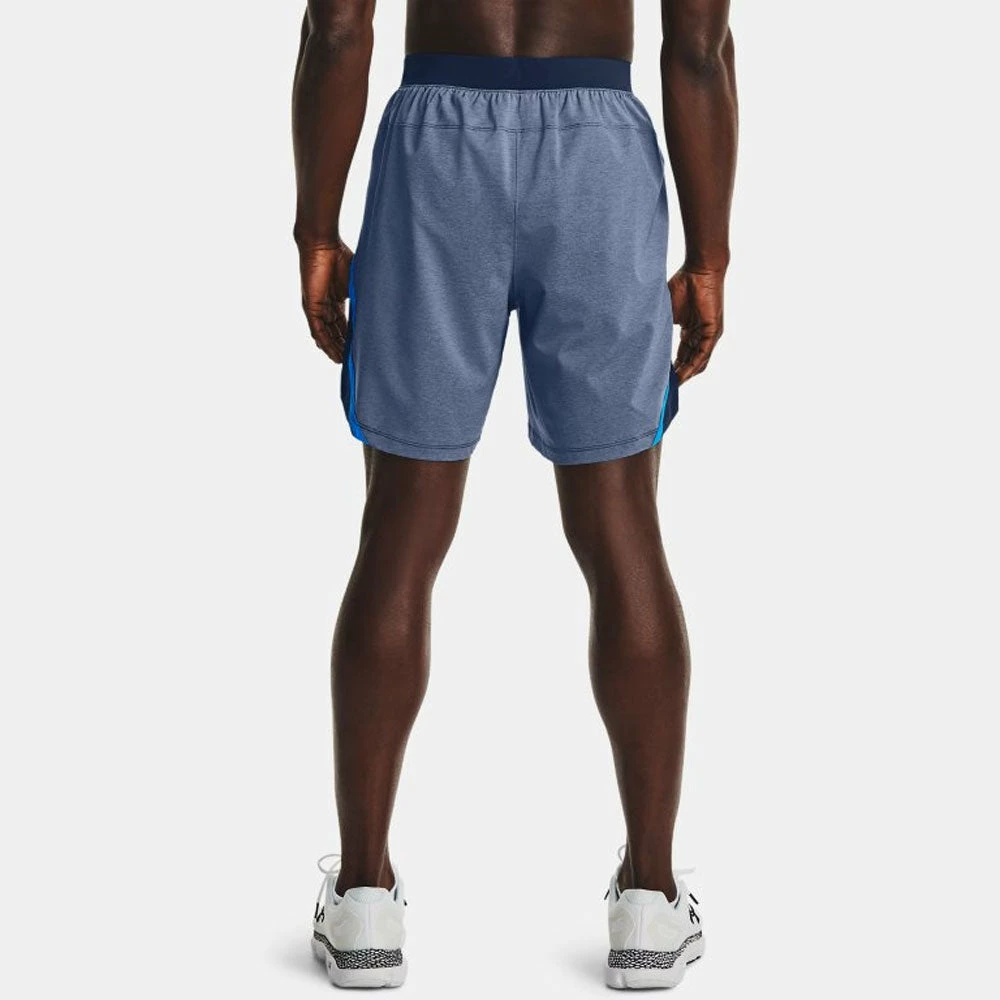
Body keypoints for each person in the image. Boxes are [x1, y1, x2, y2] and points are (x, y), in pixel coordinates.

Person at [292, 0, 736, 989]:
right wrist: (708, 254)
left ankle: (362, 899)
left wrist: (315, 228)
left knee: (399, 532)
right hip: (598, 151)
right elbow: (699, 48)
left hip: (436, 148)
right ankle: (650, 901)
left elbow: (337, 27)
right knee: (623, 530)